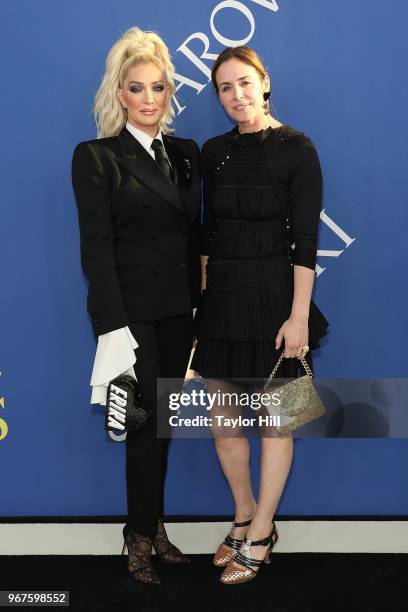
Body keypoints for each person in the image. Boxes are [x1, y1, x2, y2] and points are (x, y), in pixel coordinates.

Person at [191, 46, 329, 584]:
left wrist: (298, 318)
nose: (237, 95)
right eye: (225, 87)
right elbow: (207, 235)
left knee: (278, 421)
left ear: (265, 82)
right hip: (222, 297)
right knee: (223, 419)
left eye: (244, 83)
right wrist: (202, 304)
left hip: (277, 299)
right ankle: (244, 515)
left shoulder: (299, 149)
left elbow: (307, 242)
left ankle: (265, 531)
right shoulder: (211, 151)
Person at [71, 27, 201, 585]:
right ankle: (138, 537)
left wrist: (202, 310)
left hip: (179, 313)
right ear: (120, 94)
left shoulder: (189, 155)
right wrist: (112, 328)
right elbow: (95, 251)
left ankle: (154, 524)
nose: (149, 99)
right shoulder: (97, 157)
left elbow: (197, 238)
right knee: (144, 425)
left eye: (159, 88)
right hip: (133, 318)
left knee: (164, 425)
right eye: (137, 89)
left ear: (170, 92)